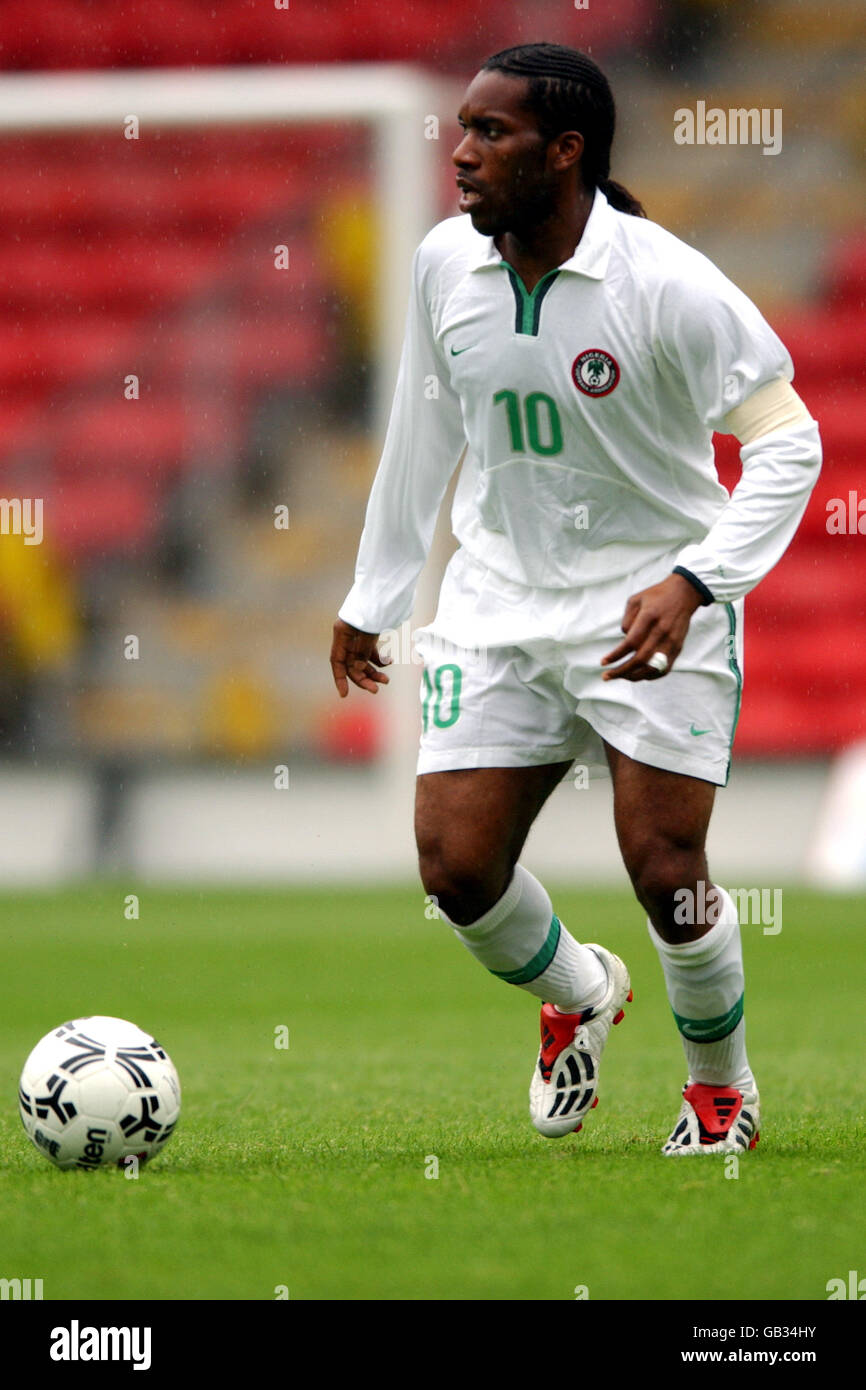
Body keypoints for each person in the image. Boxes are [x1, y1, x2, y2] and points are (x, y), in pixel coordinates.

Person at [330, 43, 821, 1154]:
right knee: (455, 868)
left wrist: (695, 582)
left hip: (648, 599)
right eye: (459, 126)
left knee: (664, 869)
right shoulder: (441, 263)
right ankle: (580, 988)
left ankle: (720, 1093)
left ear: (565, 151)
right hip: (499, 601)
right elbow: (424, 426)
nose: (459, 152)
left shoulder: (668, 284)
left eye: (489, 133)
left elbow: (789, 445)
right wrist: (374, 590)